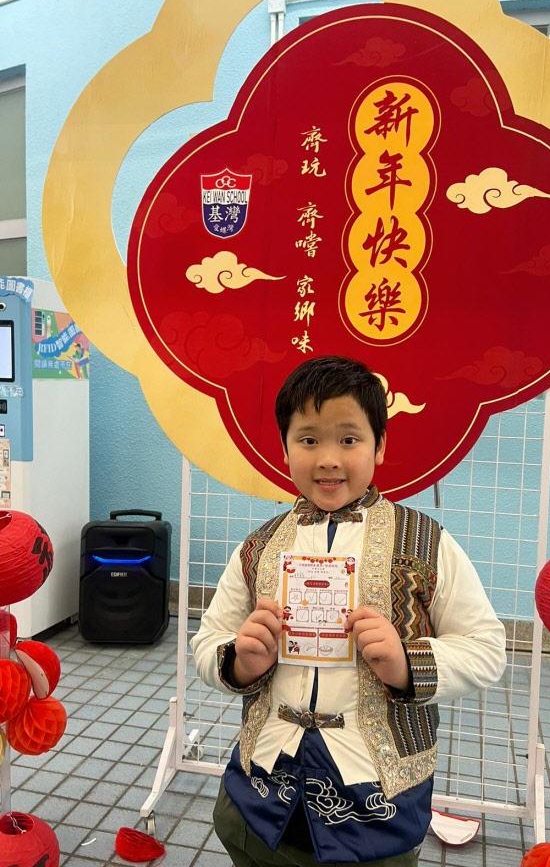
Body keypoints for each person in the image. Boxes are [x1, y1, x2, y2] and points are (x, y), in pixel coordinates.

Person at [191, 356, 507, 867]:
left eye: (349, 439)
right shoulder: (258, 547)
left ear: (379, 446)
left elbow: (487, 649)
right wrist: (239, 662)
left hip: (378, 805)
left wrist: (406, 664)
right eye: (308, 439)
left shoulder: (425, 542)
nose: (328, 459)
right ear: (284, 449)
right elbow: (207, 641)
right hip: (261, 795)